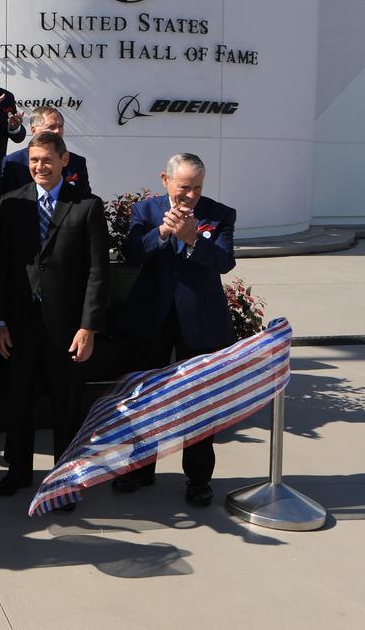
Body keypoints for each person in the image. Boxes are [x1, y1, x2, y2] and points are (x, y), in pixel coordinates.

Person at [0, 132, 107, 511]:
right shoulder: (11, 204)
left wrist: (88, 326)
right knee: (19, 400)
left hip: (68, 327)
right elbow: (1, 265)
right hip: (20, 324)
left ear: (63, 160)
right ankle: (18, 471)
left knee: (67, 406)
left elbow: (97, 272)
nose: (40, 166)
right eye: (34, 160)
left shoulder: (87, 206)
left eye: (46, 159)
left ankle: (64, 480)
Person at [114, 153, 237, 507]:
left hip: (199, 322)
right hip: (151, 318)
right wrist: (163, 233)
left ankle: (198, 479)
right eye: (184, 187)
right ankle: (140, 469)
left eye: (198, 188)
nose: (191, 195)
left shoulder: (220, 213)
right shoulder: (146, 211)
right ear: (165, 180)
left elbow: (225, 262)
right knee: (144, 398)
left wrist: (194, 240)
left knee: (198, 401)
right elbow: (131, 253)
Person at [1, 106, 91, 196]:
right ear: (33, 130)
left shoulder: (77, 162)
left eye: (60, 126)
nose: (58, 131)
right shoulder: (13, 162)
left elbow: (86, 199)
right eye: (51, 127)